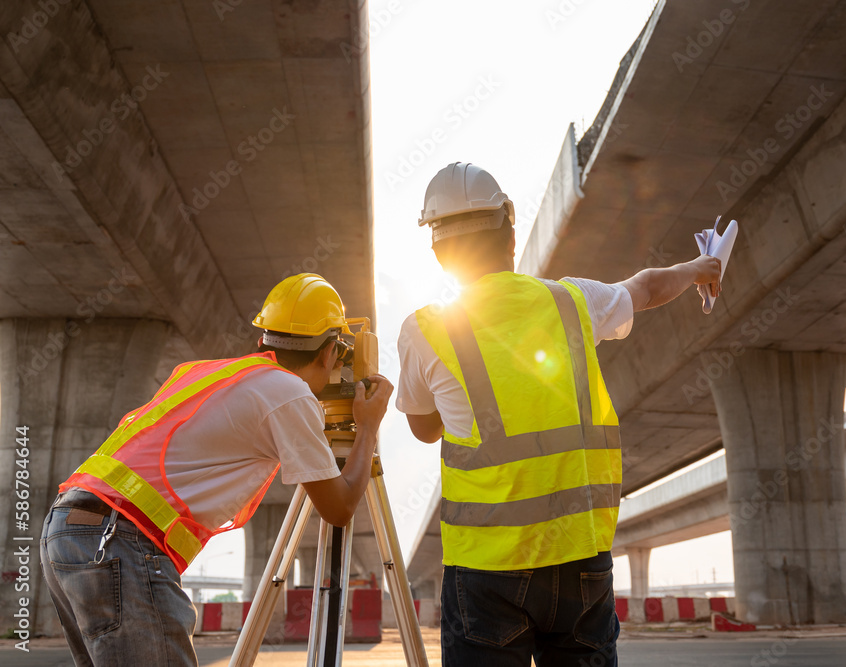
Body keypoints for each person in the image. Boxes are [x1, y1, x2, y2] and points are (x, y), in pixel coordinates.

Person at [396, 162, 721, 666]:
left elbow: (422, 427)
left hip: (487, 571)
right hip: (579, 560)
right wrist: (700, 268)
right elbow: (647, 287)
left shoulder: (424, 331)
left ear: (439, 253)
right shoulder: (571, 302)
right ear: (509, 233)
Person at [40, 273, 393, 666]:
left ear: (263, 339)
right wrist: (369, 427)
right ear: (330, 352)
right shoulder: (288, 392)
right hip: (119, 540)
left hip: (68, 529)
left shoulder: (208, 374)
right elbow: (340, 508)